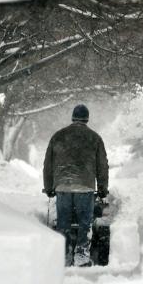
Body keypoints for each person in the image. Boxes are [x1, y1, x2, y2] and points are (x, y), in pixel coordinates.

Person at [43, 104, 108, 267]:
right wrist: (102, 189)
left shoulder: (58, 136)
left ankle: (63, 254)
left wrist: (49, 187)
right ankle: (81, 255)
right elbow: (102, 166)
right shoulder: (95, 138)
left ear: (73, 117)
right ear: (87, 118)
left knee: (63, 222)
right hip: (85, 187)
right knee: (85, 222)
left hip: (63, 187)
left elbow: (48, 165)